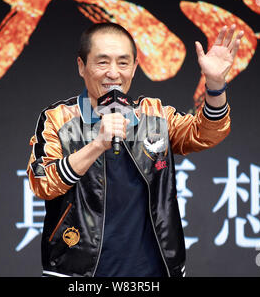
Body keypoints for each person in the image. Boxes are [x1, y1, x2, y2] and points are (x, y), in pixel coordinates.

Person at [26, 22, 243, 277]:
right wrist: (97, 144)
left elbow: (207, 133)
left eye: (123, 62)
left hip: (154, 270)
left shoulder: (155, 115)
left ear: (135, 68)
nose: (113, 73)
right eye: (102, 62)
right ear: (81, 66)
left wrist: (215, 85)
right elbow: (43, 184)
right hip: (78, 272)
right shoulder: (58, 119)